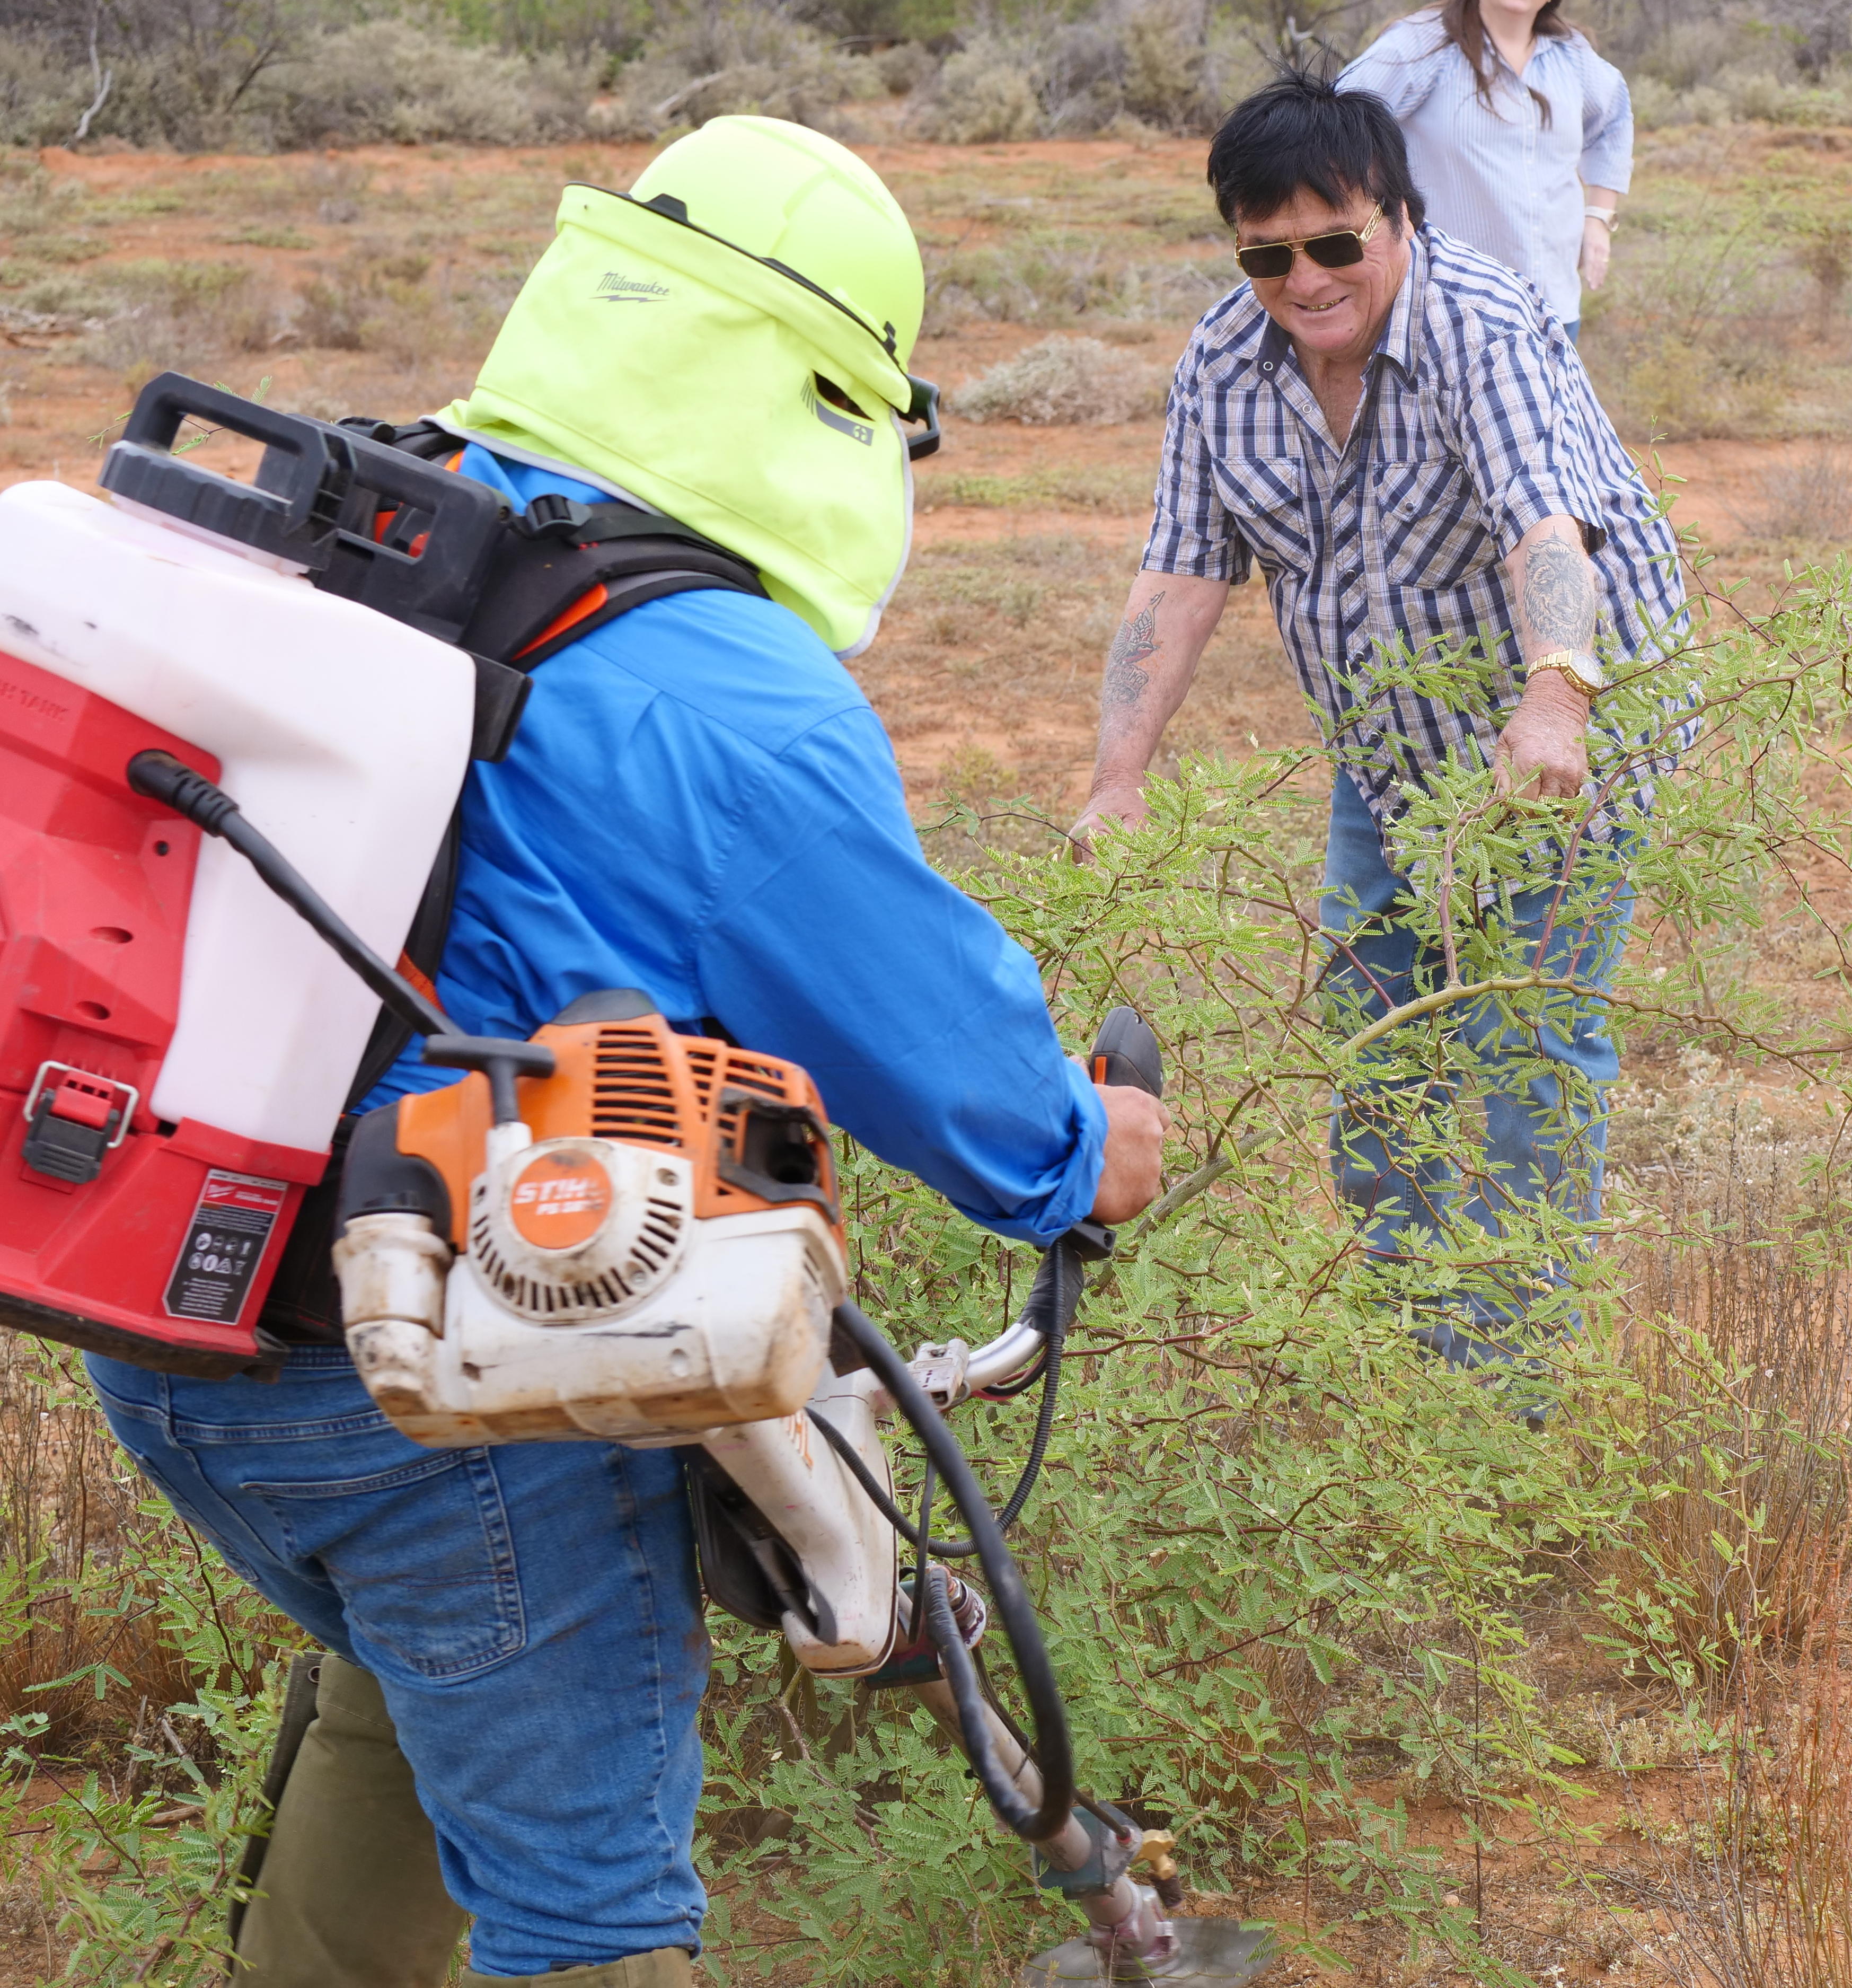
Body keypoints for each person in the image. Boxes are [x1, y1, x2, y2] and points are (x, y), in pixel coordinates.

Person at [82, 116, 1168, 1988]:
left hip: (170, 1327)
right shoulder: (729, 693)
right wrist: (1096, 1149)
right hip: (449, 1398)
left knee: (412, 1696)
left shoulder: (380, 523)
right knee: (588, 1926)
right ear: (835, 398)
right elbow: (974, 1091)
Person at [1072, 73, 1685, 1375]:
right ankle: (1407, 1363)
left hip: (1559, 732)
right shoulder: (1222, 365)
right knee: (1376, 1041)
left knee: (1527, 1049)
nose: (1305, 280)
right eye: (1268, 253)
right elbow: (1181, 574)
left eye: (1336, 242)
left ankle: (1506, 1380)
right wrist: (1117, 774)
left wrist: (1552, 699)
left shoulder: (1482, 324)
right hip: (1391, 749)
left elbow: (1543, 526)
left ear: (1398, 218)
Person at [1337, 0, 1633, 342]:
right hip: (1452, 317)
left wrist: (1598, 217)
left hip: (1554, 313)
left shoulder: (1572, 55)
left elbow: (1614, 121)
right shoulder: (1421, 44)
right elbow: (1335, 127)